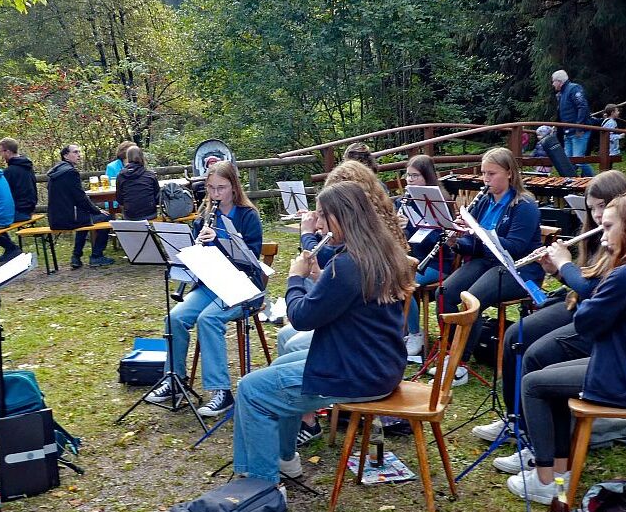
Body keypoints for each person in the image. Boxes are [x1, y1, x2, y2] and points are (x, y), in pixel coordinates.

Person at [508, 189, 626, 504]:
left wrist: (573, 279)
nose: (604, 236)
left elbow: (585, 324)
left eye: (609, 227)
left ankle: (545, 481)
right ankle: (558, 469)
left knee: (532, 384)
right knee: (546, 371)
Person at [232, 181, 412, 486]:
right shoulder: (380, 250)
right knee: (276, 369)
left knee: (251, 390)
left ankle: (259, 486)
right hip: (379, 362)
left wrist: (295, 278)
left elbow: (301, 317)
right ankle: (284, 459)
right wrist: (319, 276)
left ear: (340, 218)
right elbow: (348, 301)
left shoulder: (347, 265)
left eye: (322, 217)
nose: (318, 224)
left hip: (359, 373)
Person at [475, 170, 626, 461]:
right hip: (581, 305)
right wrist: (556, 272)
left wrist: (564, 267)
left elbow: (595, 290)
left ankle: (539, 439)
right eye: (592, 208)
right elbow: (584, 281)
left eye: (602, 206)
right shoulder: (600, 236)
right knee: (515, 334)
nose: (597, 215)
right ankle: (516, 420)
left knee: (536, 352)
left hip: (602, 322)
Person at [146, 161, 263, 418]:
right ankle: (175, 378)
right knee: (174, 318)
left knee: (208, 319)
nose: (216, 194)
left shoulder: (248, 216)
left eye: (221, 188)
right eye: (211, 188)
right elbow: (199, 261)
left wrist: (221, 241)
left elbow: (252, 259)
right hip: (212, 284)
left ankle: (222, 392)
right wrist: (193, 251)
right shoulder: (203, 218)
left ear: (234, 188)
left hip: (242, 286)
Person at [438, 147, 543, 382]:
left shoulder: (524, 205)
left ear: (509, 173)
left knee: (471, 298)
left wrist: (479, 232)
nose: (486, 179)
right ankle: (448, 353)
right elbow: (475, 247)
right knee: (445, 291)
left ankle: (460, 364)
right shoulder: (484, 200)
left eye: (491, 174)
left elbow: (514, 247)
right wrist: (458, 241)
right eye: (484, 173)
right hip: (488, 262)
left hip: (518, 268)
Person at [397, 154, 454, 357]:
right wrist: (399, 228)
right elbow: (406, 240)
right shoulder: (406, 201)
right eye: (408, 175)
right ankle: (399, 330)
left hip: (437, 263)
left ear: (427, 177)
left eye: (415, 176)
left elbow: (438, 239)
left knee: (403, 285)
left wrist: (410, 226)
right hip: (413, 260)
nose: (410, 180)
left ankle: (415, 334)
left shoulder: (439, 201)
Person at [46, 144, 114, 269]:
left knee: (86, 218)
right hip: (67, 219)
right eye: (75, 152)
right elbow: (80, 198)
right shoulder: (71, 172)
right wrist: (97, 210)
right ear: (66, 155)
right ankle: (96, 256)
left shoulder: (56, 171)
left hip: (55, 218)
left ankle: (76, 256)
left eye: (79, 152)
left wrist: (92, 210)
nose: (79, 155)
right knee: (106, 217)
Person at [551, 69, 594, 176]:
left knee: (578, 160)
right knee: (567, 162)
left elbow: (582, 106)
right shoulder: (561, 94)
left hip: (578, 132)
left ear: (559, 81)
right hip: (568, 132)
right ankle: (571, 184)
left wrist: (579, 127)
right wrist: (556, 126)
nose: (553, 84)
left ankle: (595, 182)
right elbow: (562, 113)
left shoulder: (574, 89)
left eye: (553, 81)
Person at [0, 137, 38, 221]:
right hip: (30, 209)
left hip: (17, 211)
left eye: (0, 151)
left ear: (7, 152)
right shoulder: (27, 166)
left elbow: (2, 193)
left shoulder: (10, 171)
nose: (0, 155)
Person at [115, 145, 160, 220]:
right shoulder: (150, 175)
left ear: (128, 158)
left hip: (130, 216)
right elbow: (157, 196)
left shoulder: (121, 176)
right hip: (150, 214)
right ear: (142, 157)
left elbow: (119, 199)